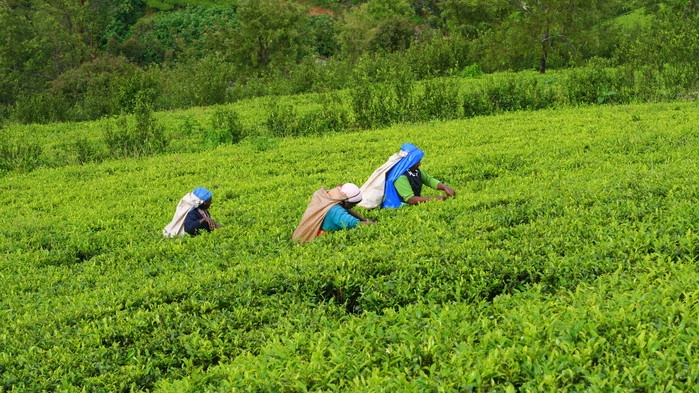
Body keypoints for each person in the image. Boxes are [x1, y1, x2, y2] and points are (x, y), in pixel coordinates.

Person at [359, 142, 455, 209]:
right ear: (410, 162)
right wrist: (435, 198)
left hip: (414, 203)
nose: (419, 164)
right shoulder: (400, 177)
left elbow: (429, 180)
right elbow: (411, 200)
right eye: (417, 162)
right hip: (399, 206)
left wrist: (445, 188)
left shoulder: (415, 171)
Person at [292, 183, 375, 244]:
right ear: (346, 202)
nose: (353, 206)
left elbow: (346, 209)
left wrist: (364, 219)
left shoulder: (326, 197)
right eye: (353, 204)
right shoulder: (335, 211)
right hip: (319, 239)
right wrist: (373, 224)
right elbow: (352, 223)